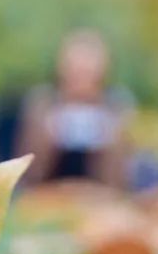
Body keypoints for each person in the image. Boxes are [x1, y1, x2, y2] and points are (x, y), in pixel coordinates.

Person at [19, 29, 131, 189]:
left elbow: (119, 183)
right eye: (76, 72)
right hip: (48, 197)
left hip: (98, 199)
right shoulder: (44, 103)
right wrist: (45, 138)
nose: (81, 81)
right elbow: (29, 178)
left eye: (88, 73)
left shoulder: (115, 107)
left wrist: (110, 140)